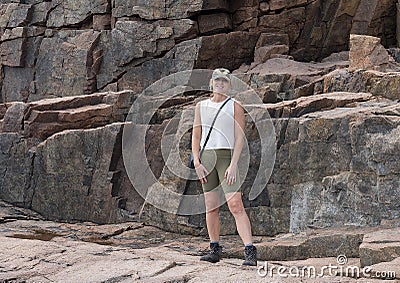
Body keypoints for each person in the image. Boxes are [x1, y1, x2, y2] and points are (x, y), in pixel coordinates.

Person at [191, 68, 257, 266]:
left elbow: (239, 138)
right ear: (211, 83)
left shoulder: (234, 105)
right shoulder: (201, 106)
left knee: (235, 204)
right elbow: (196, 135)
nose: (220, 84)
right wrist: (197, 162)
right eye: (217, 81)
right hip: (207, 159)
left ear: (229, 85)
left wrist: (234, 163)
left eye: (224, 81)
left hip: (227, 157)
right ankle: (214, 248)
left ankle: (250, 250)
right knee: (211, 207)